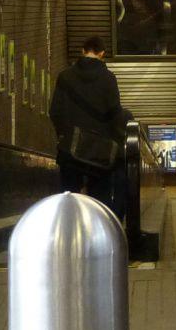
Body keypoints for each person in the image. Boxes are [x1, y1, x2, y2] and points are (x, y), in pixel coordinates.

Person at [49, 35, 130, 210]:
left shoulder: (64, 76)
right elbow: (115, 114)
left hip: (69, 151)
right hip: (99, 154)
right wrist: (116, 141)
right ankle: (97, 226)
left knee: (68, 200)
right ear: (102, 53)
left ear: (83, 51)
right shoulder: (109, 78)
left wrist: (64, 136)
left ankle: (70, 226)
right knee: (99, 203)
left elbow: (55, 111)